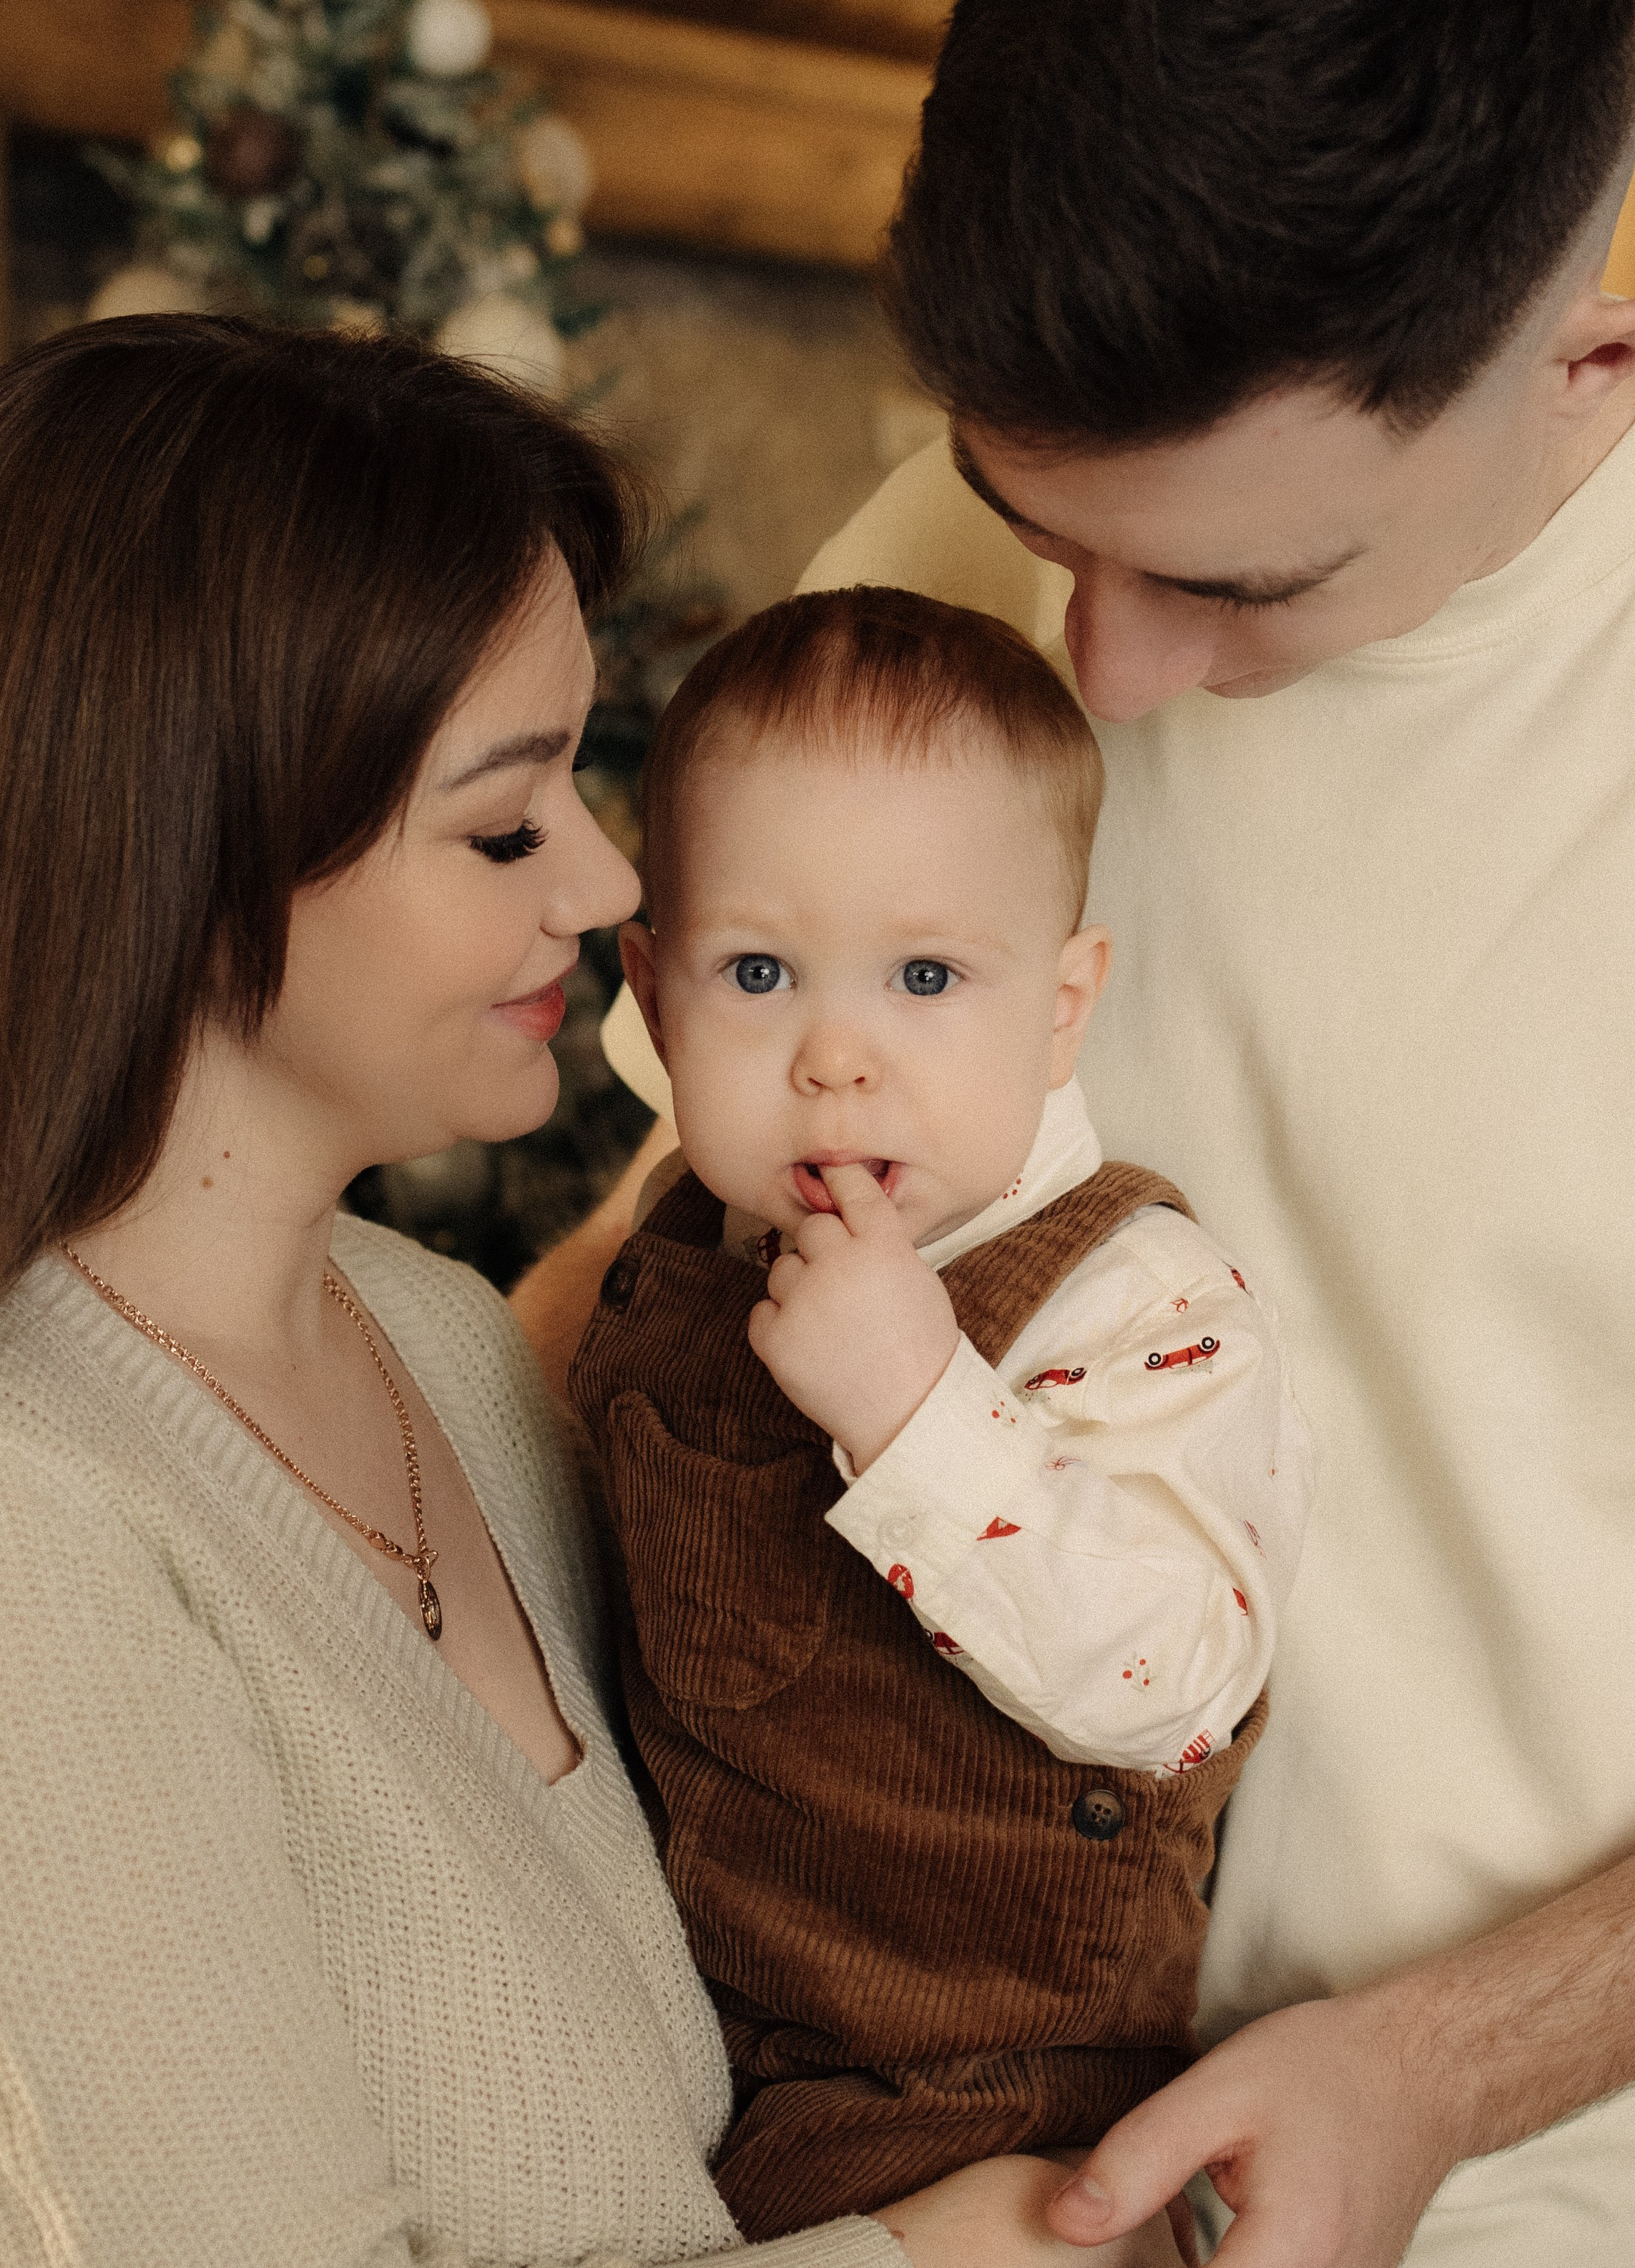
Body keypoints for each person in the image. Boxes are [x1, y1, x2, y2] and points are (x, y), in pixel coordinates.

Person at [581, 0, 1635, 2268]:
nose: (1106, 666)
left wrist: (1437, 2064)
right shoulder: (952, 595)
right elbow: (654, 1249)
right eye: (1025, 517)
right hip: (899, 2150)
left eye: (1242, 581)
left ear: (1586, 352)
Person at [0, 315, 1167, 2268]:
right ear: (189, 853)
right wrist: (933, 2259)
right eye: (504, 821)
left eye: (588, 781)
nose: (599, 887)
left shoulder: (442, 1338)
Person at [569, 586, 1312, 2244]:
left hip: (1004, 2082)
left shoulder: (1135, 1301)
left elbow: (1177, 1678)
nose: (837, 1056)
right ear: (655, 994)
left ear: (1059, 1006)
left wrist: (919, 1410)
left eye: (926, 975)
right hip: (717, 2042)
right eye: (758, 972)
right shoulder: (683, 1255)